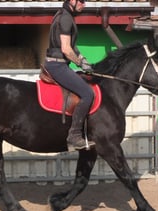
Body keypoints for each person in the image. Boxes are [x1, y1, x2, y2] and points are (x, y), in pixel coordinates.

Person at [44, 0, 95, 150]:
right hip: (57, 65)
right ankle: (74, 136)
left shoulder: (61, 15)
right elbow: (66, 49)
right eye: (82, 1)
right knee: (87, 93)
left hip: (58, 63)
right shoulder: (66, 18)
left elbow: (71, 45)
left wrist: (82, 57)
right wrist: (80, 63)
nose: (84, 5)